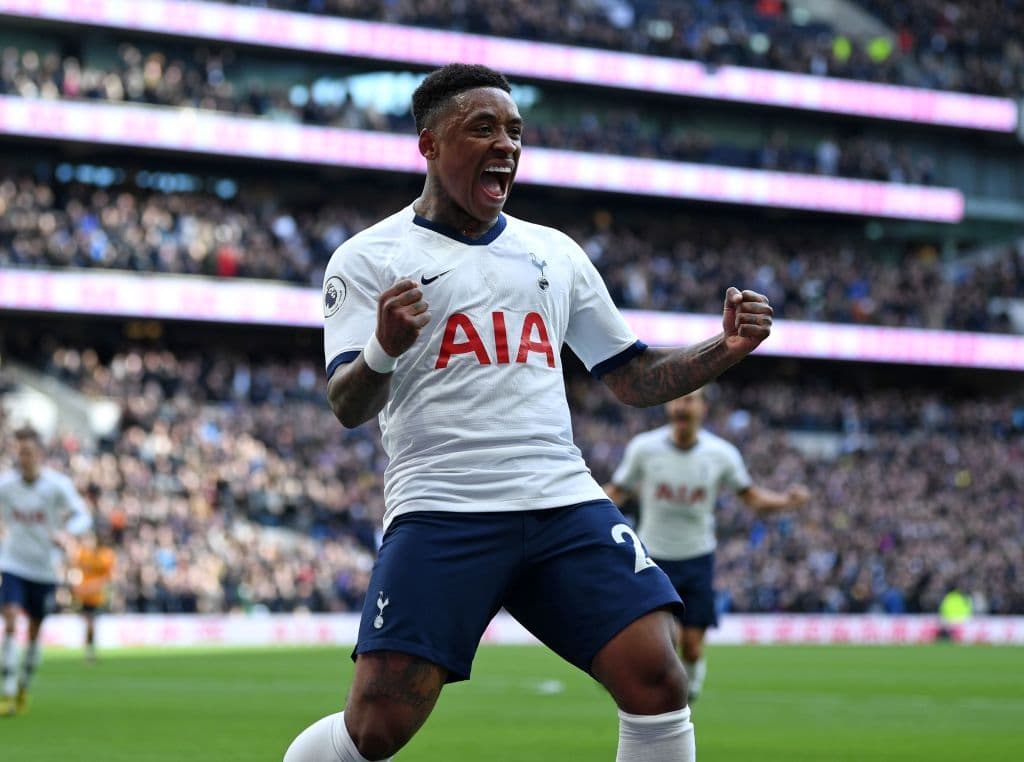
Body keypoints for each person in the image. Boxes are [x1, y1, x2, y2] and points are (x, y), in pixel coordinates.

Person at [286, 63, 775, 762]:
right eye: (482, 128)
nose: (506, 145)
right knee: (376, 728)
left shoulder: (554, 252)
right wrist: (383, 347)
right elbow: (347, 403)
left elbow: (632, 377)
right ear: (428, 144)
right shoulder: (368, 258)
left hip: (561, 501)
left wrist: (723, 348)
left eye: (515, 131)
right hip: (445, 508)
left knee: (658, 680)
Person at [605, 388, 809, 702]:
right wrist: (580, 507)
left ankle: (692, 688)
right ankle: (671, 700)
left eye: (690, 399)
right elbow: (618, 491)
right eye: (676, 399)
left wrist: (786, 502)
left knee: (692, 646)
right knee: (665, 641)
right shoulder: (644, 448)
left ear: (703, 408)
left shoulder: (721, 454)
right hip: (654, 558)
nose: (681, 406)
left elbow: (752, 498)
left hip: (697, 557)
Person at [0, 426, 92, 716]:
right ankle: (7, 690)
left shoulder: (57, 485)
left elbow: (83, 515)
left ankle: (24, 686)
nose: (24, 458)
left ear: (39, 455)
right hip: (14, 563)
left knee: (34, 632)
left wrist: (67, 532)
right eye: (20, 452)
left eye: (29, 452)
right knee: (10, 619)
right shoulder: (6, 485)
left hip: (44, 569)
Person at [70, 528, 116, 663]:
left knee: (91, 624)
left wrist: (93, 586)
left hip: (98, 596)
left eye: (90, 539)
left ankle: (90, 651)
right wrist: (77, 586)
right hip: (83, 596)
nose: (88, 542)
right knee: (89, 623)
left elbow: (109, 577)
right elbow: (74, 571)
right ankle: (89, 651)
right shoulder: (80, 554)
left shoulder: (105, 555)